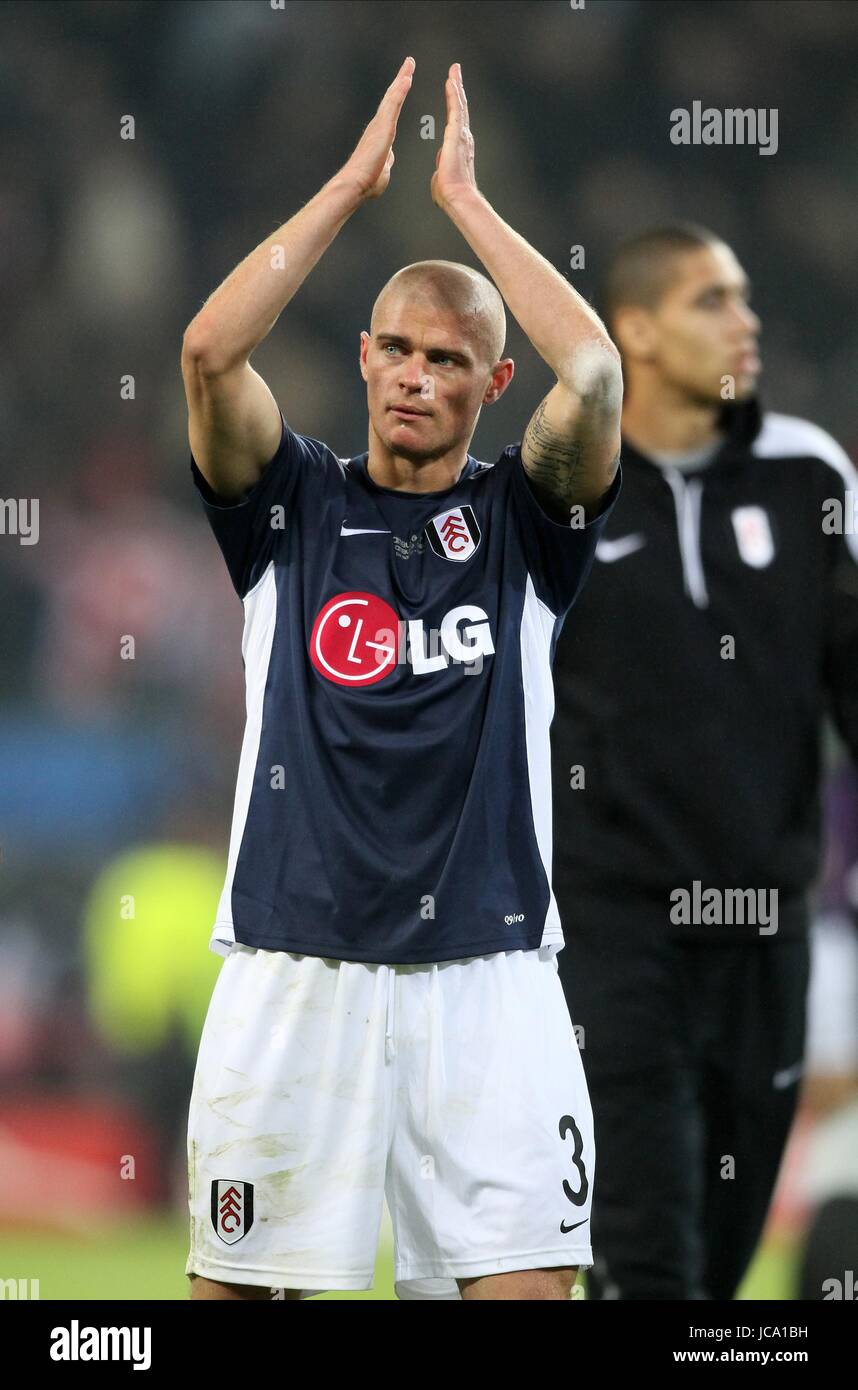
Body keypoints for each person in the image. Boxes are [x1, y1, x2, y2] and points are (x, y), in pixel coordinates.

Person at [181, 58, 621, 1301]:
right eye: (400, 351)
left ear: (495, 385)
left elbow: (594, 377)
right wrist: (349, 188)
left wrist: (467, 205)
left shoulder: (527, 525)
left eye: (450, 358)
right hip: (293, 961)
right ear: (365, 358)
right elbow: (211, 352)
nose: (418, 375)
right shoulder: (291, 507)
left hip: (490, 978)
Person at [550, 223, 858, 1300]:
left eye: (745, 296)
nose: (748, 320)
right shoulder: (562, 495)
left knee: (720, 1264)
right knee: (647, 1255)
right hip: (611, 930)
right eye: (712, 301)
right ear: (633, 329)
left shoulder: (808, 475)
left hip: (766, 929)